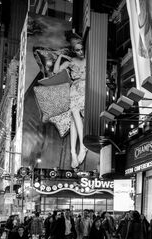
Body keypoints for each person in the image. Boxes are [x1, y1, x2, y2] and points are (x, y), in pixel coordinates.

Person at [53, 33, 87, 169]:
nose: (80, 52)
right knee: (74, 116)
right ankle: (75, 151)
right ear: (74, 51)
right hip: (75, 89)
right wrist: (60, 57)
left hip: (86, 89)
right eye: (77, 50)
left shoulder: (89, 59)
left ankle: (81, 148)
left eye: (81, 49)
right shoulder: (70, 61)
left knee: (76, 117)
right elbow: (56, 71)